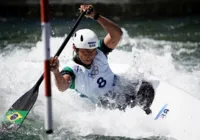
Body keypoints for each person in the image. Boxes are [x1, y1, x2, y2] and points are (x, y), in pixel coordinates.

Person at [50, 5, 154, 114]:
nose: (90, 55)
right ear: (75, 48)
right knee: (121, 107)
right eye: (85, 51)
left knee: (146, 88)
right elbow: (62, 87)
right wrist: (56, 71)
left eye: (92, 50)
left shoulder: (99, 52)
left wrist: (96, 16)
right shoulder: (71, 70)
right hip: (104, 105)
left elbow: (117, 34)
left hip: (119, 89)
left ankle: (144, 113)